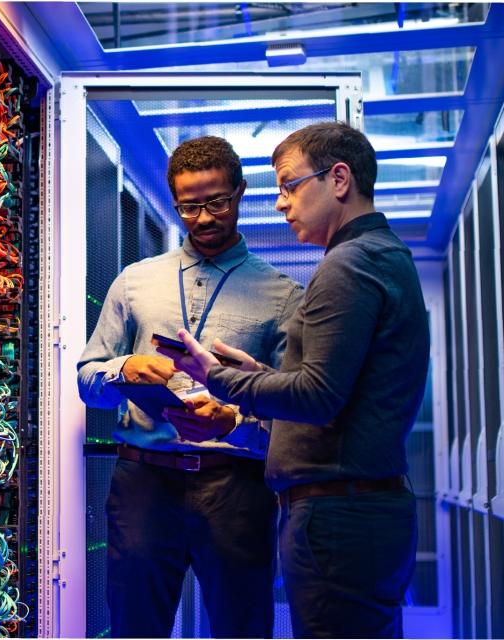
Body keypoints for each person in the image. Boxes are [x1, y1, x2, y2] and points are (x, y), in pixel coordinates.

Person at [160, 122, 430, 639]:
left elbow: (317, 396)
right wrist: (260, 375)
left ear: (340, 179)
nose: (281, 203)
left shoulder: (347, 266)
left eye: (289, 184)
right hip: (360, 512)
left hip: (338, 516)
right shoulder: (382, 256)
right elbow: (341, 386)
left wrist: (215, 377)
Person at [77, 135, 303, 639]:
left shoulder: (283, 296)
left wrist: (236, 424)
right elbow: (87, 381)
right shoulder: (134, 281)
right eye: (188, 207)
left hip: (237, 488)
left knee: (242, 628)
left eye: (217, 202)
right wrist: (123, 370)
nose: (203, 218)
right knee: (134, 627)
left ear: (240, 193)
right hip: (144, 485)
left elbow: (295, 413)